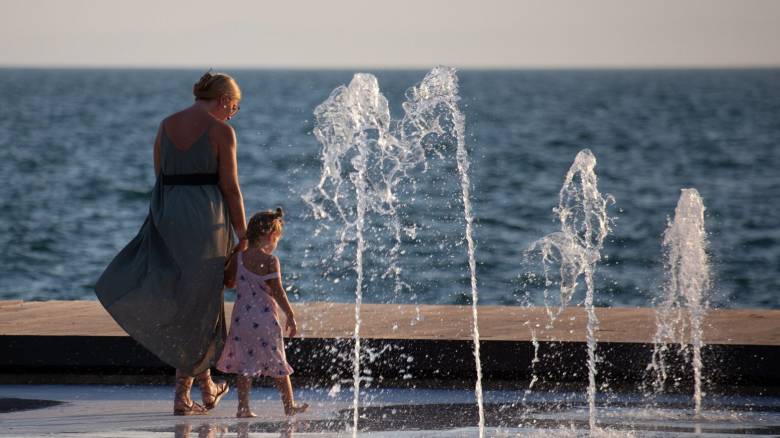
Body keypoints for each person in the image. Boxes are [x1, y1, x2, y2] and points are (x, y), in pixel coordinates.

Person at [95, 71, 249, 415]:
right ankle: (182, 396)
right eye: (235, 107)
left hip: (167, 213)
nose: (233, 113)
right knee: (202, 303)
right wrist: (244, 235)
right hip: (206, 218)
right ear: (224, 99)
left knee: (188, 300)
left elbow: (159, 172)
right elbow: (231, 186)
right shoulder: (221, 131)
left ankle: (207, 386)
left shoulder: (166, 125)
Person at [217, 208, 309, 418]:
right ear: (270, 236)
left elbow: (229, 283)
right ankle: (289, 406)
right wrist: (291, 315)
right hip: (266, 321)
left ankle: (243, 408)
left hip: (242, 321)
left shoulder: (239, 258)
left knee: (244, 366)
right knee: (279, 365)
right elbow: (278, 291)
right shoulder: (270, 261)